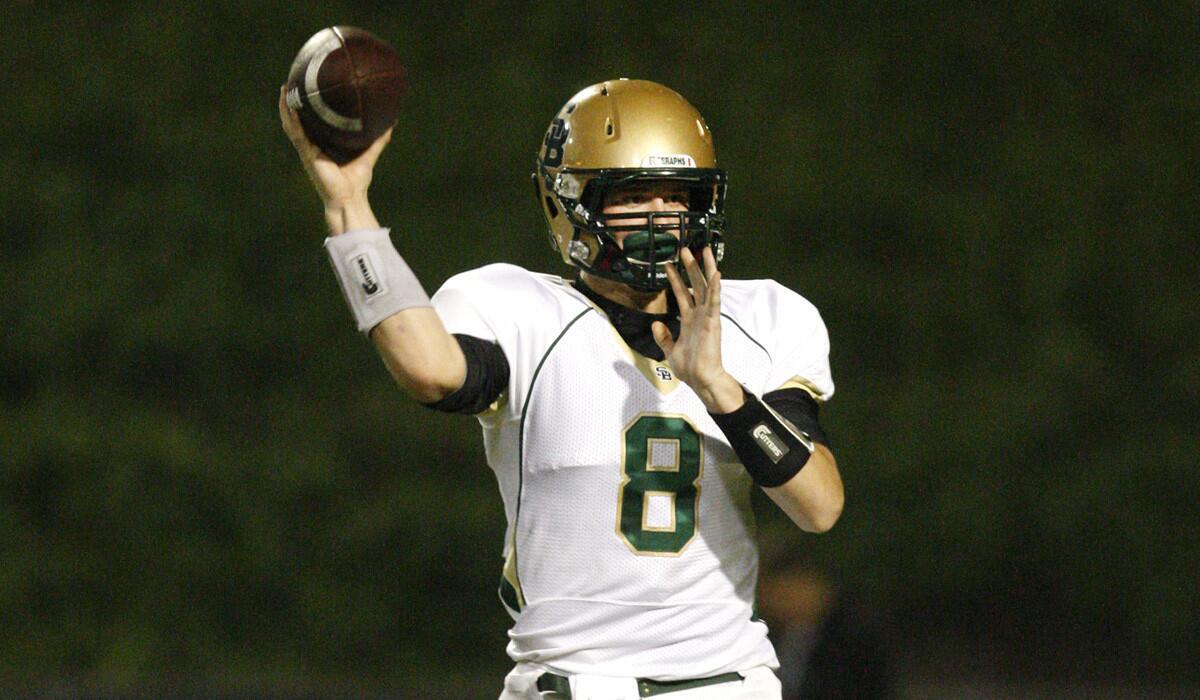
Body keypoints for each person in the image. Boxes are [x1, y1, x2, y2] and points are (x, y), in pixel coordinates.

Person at [280, 78, 844, 700]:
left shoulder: (763, 317)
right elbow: (425, 366)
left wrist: (720, 389)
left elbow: (818, 506)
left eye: (677, 196)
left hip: (724, 682)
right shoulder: (520, 309)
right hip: (574, 682)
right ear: (572, 203)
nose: (661, 217)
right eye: (632, 196)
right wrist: (348, 209)